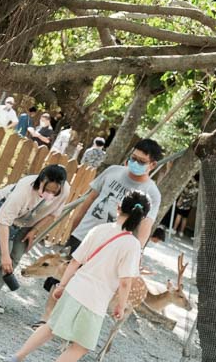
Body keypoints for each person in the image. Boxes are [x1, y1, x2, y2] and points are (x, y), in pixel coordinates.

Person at [5, 191, 149, 362]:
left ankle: (16, 357)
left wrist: (62, 285)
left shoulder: (99, 229)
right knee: (81, 345)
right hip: (96, 299)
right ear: (142, 218)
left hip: (76, 287)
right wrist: (120, 304)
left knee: (51, 327)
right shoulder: (133, 245)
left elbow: (74, 261)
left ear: (119, 207)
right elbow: (125, 280)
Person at [33, 138, 164, 327]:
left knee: (89, 286)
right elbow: (89, 200)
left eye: (141, 161)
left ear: (152, 165)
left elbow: (145, 227)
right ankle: (45, 319)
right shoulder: (112, 172)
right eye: (133, 158)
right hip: (84, 234)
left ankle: (65, 325)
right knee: (61, 276)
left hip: (111, 247)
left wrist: (137, 253)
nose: (135, 163)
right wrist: (75, 227)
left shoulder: (152, 193)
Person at [0, 165, 70, 313]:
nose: (50, 194)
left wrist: (34, 231)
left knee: (16, 256)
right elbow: (4, 222)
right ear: (42, 180)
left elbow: (53, 214)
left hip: (30, 221)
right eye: (47, 189)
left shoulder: (64, 190)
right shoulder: (23, 191)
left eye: (54, 191)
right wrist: (5, 255)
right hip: (6, 215)